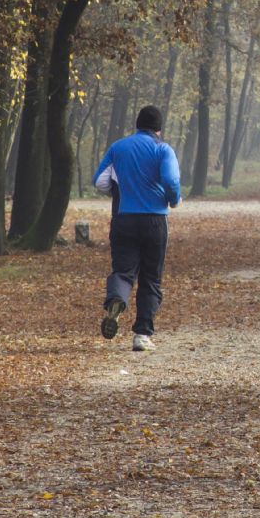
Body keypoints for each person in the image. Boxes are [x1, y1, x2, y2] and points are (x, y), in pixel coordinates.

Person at [92, 104, 181, 351]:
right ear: (159, 129)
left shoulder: (118, 147)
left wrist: (120, 193)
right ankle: (142, 334)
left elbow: (99, 181)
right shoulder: (163, 149)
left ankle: (117, 299)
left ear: (137, 125)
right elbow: (171, 180)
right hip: (154, 220)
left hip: (124, 219)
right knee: (151, 278)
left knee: (123, 271)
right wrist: (173, 199)